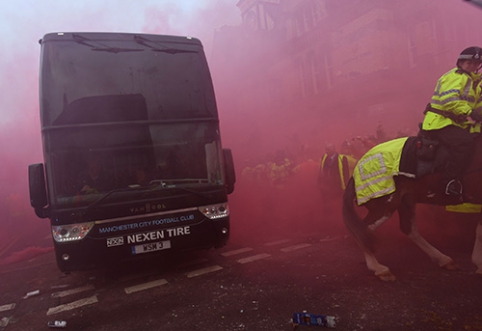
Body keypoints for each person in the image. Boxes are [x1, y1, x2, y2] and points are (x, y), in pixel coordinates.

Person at [421, 46, 482, 197]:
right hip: (439, 122)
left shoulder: (474, 83)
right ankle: (448, 182)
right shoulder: (455, 76)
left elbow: (478, 105)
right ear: (461, 62)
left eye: (476, 63)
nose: (472, 66)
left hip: (455, 123)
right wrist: (470, 112)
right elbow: (450, 100)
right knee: (464, 143)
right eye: (469, 63)